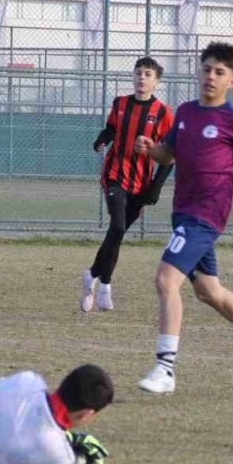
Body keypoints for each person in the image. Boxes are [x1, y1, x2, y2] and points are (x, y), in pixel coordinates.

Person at [132, 42, 233, 394]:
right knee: (208, 291)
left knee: (165, 280)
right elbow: (167, 155)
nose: (211, 77)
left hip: (207, 212)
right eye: (207, 69)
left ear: (232, 82)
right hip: (184, 210)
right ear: (198, 72)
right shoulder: (185, 113)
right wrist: (149, 147)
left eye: (220, 73)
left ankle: (165, 369)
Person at [80, 57, 175, 312]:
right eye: (138, 73)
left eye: (147, 74)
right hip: (115, 174)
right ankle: (106, 288)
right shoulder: (120, 103)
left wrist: (155, 188)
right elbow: (111, 128)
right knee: (118, 226)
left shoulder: (164, 113)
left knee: (117, 233)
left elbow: (169, 155)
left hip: (141, 184)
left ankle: (91, 275)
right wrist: (102, 139)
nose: (141, 78)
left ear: (156, 81)